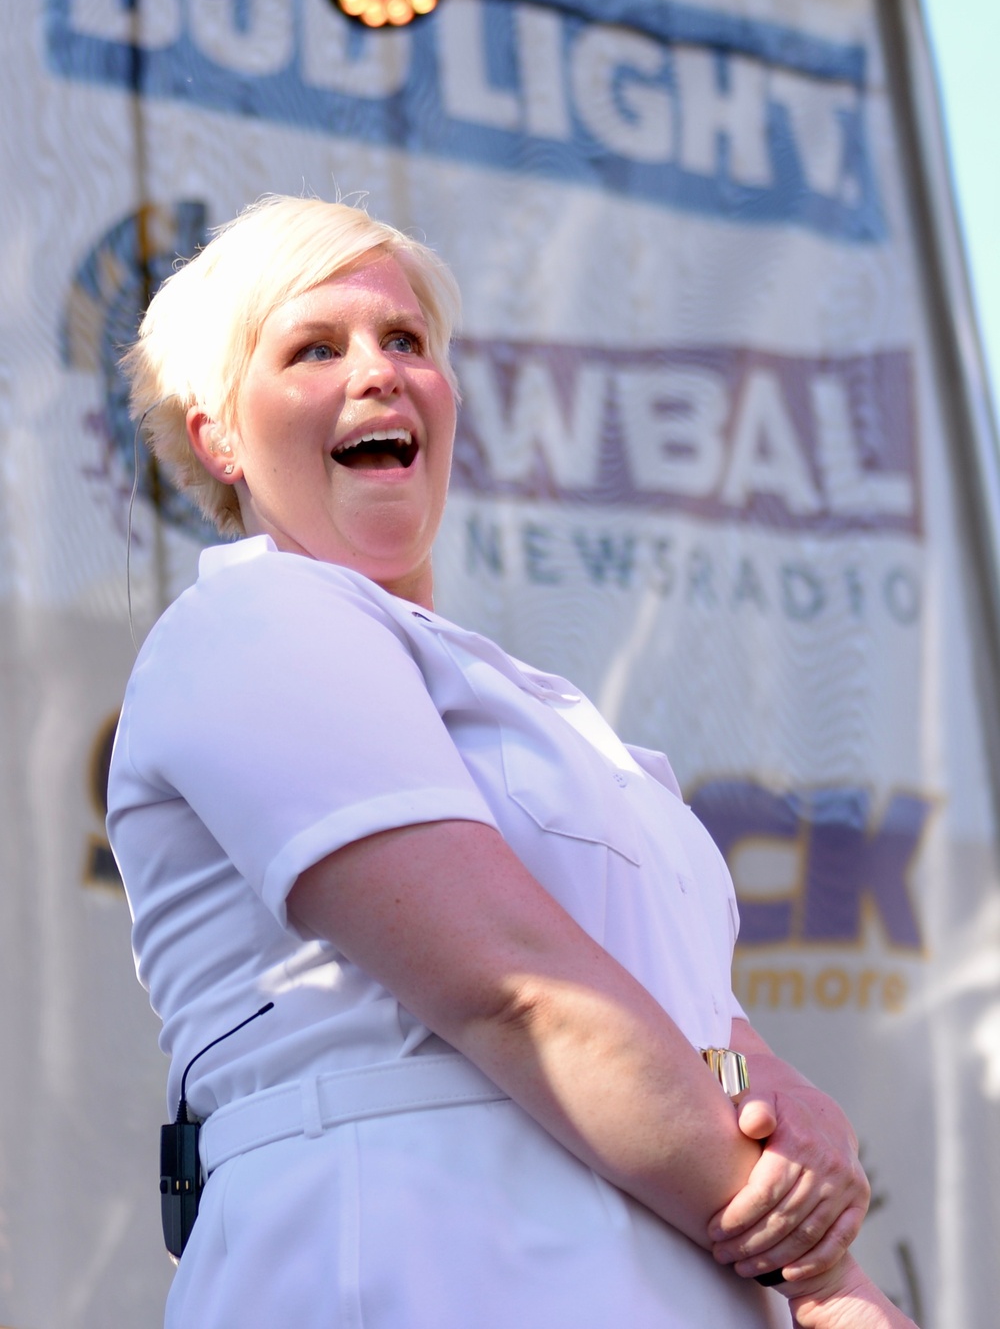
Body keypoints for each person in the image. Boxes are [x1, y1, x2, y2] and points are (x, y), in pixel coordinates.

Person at [108, 195, 916, 1329]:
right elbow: (516, 989)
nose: (380, 371)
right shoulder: (250, 622)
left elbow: (690, 1036)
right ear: (218, 436)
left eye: (406, 341)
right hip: (407, 1263)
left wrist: (772, 1104)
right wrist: (823, 1271)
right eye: (312, 348)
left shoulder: (561, 724)